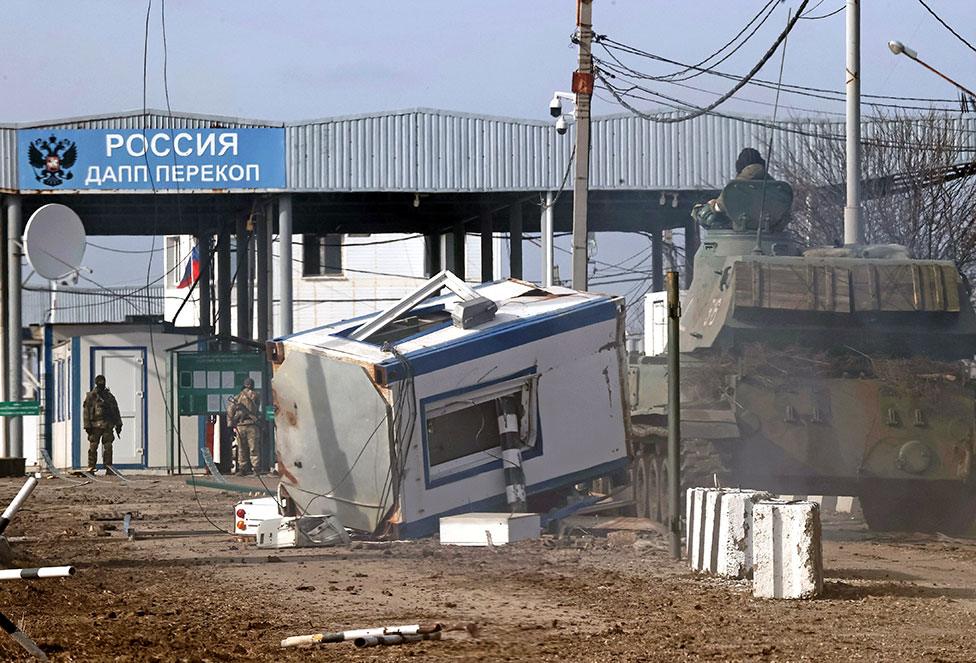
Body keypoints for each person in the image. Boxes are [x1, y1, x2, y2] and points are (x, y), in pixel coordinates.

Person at [693, 147, 773, 229]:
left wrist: (712, 205)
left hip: (739, 237)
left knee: (704, 214)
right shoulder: (775, 187)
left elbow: (719, 207)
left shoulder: (737, 187)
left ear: (740, 166)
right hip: (774, 236)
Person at [83, 375, 122, 473]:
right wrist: (87, 425)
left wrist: (118, 423)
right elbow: (86, 411)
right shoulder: (91, 396)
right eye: (99, 382)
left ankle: (108, 466)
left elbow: (115, 410)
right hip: (95, 425)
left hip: (108, 425)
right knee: (93, 446)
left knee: (108, 446)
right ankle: (91, 466)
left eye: (102, 382)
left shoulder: (109, 396)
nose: (101, 384)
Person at [229, 377, 262, 475]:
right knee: (253, 448)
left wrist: (231, 424)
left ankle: (243, 468)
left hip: (243, 425)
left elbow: (230, 411)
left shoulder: (238, 396)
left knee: (243, 448)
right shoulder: (254, 395)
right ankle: (255, 468)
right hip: (250, 425)